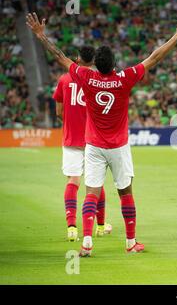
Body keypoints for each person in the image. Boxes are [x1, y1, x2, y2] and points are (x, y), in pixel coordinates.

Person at [27, 12, 177, 256]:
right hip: (118, 147)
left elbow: (60, 57)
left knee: (91, 193)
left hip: (93, 146)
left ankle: (86, 243)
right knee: (125, 192)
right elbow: (154, 57)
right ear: (114, 64)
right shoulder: (124, 78)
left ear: (96, 64)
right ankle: (130, 242)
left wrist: (41, 36)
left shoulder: (86, 77)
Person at [52, 46, 112, 242]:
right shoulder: (98, 80)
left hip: (71, 138)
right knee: (95, 183)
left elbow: (59, 112)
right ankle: (101, 226)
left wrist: (71, 123)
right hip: (93, 138)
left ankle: (71, 228)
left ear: (77, 59)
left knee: (73, 181)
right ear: (93, 61)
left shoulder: (64, 80)